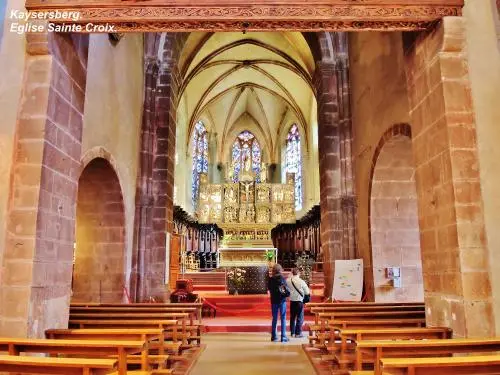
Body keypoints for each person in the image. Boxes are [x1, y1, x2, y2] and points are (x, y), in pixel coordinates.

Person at [267, 263, 289, 342]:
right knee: (283, 318)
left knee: (275, 318)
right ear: (280, 270)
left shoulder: (271, 279)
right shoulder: (282, 279)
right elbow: (285, 289)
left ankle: (274, 336)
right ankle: (283, 336)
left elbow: (269, 288)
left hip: (274, 301)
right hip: (282, 300)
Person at [286, 268, 310, 338]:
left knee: (292, 317)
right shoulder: (301, 281)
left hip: (292, 301)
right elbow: (307, 292)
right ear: (299, 273)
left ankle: (292, 332)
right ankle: (298, 333)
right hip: (299, 301)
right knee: (300, 317)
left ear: (292, 273)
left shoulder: (288, 280)